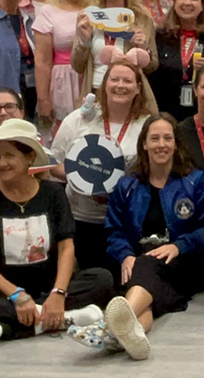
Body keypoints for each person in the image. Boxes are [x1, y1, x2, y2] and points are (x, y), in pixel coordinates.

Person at [0, 119, 114, 344]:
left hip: (46, 285)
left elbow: (67, 247)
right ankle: (58, 318)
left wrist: (58, 293)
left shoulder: (54, 193)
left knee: (102, 278)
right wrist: (17, 295)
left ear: (30, 158)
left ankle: (14, 326)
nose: (1, 163)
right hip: (2, 292)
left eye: (9, 155)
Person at [91, 114, 204, 359]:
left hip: (183, 263)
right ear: (144, 145)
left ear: (176, 143)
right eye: (155, 138)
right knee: (144, 279)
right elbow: (114, 230)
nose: (161, 144)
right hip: (139, 264)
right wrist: (125, 255)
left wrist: (180, 245)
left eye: (167, 138)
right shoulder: (128, 185)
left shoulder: (196, 181)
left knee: (145, 268)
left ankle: (106, 328)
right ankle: (130, 335)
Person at [47, 60, 154, 269]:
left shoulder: (146, 124)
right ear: (104, 84)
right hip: (79, 216)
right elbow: (52, 163)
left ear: (138, 88)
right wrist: (82, 177)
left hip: (124, 222)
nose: (120, 85)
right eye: (114, 79)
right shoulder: (79, 119)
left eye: (127, 81)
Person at [74, 0, 155, 96]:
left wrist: (143, 50)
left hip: (130, 95)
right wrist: (85, 42)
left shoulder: (142, 18)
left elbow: (152, 66)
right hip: (95, 92)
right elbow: (77, 66)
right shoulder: (88, 16)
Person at [31, 0, 94, 132]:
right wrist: (43, 99)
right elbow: (42, 61)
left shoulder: (95, 9)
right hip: (61, 83)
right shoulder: (47, 12)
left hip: (89, 77)